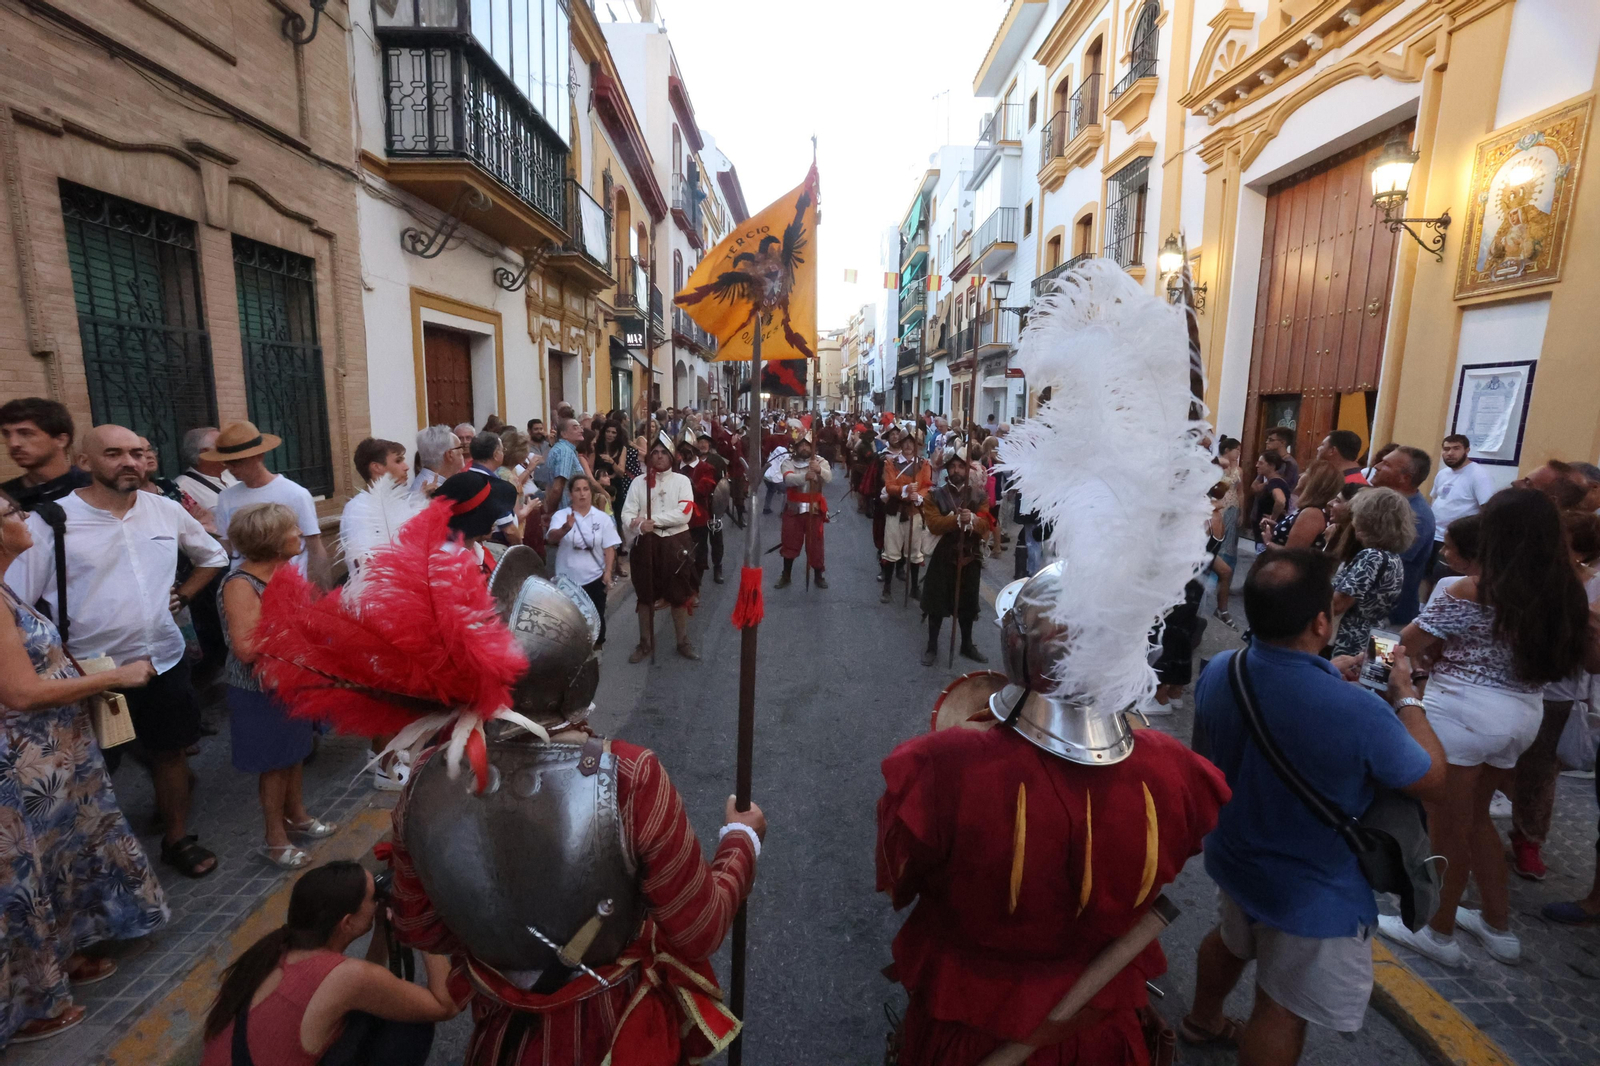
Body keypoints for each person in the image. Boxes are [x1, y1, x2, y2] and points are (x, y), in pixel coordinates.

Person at [1184, 548, 1446, 1063]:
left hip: (1236, 855)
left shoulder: (1220, 669)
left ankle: (1201, 1021)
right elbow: (1431, 778)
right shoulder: (1362, 711)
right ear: (1322, 622)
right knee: (1281, 1007)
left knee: (1231, 939)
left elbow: (1206, 759)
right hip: (1310, 887)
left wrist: (1324, 671)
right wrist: (1406, 697)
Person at [1379, 489, 1595, 966]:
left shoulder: (1470, 588)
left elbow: (1407, 644)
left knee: (1448, 829)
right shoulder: (1565, 592)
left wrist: (1401, 662)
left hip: (1464, 714)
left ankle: (1436, 932)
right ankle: (1498, 927)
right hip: (1523, 714)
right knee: (1477, 822)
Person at [4, 425, 228, 878]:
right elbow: (18, 602)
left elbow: (214, 557)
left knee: (171, 753)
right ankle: (99, 862)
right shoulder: (52, 521)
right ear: (84, 462)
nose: (130, 462)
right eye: (113, 453)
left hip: (163, 660)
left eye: (137, 453)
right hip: (89, 674)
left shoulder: (164, 510)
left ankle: (177, 838)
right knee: (89, 774)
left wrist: (182, 596)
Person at [0, 487, 168, 1046]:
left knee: (55, 864)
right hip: (21, 767)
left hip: (50, 757)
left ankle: (64, 956)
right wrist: (113, 678)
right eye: (13, 511)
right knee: (24, 880)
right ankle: (31, 1005)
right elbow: (20, 693)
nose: (24, 517)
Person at [201, 861, 457, 1066]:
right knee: (411, 1024)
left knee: (383, 1007)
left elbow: (369, 990)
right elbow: (445, 1004)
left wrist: (381, 931)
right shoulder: (346, 977)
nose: (379, 900)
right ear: (347, 923)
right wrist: (420, 923)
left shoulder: (276, 951)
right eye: (373, 897)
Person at [220, 503, 330, 869]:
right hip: (259, 691)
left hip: (291, 682)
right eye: (293, 529)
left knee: (295, 753)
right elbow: (247, 648)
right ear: (272, 539)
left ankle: (297, 816)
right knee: (275, 764)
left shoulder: (283, 574)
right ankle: (275, 840)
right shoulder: (241, 583)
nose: (299, 534)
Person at [1509, 512, 1600, 880]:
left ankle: (1527, 841)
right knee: (1515, 767)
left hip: (1555, 691)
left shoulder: (1586, 585)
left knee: (1539, 772)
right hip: (1525, 684)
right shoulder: (1539, 575)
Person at [208, 421, 330, 589]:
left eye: (237, 461)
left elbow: (314, 547)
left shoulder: (294, 494)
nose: (231, 468)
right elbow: (227, 547)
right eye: (226, 462)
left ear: (259, 456)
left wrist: (323, 592)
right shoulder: (226, 497)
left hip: (288, 587)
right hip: (244, 588)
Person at [621, 437, 698, 662]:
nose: (659, 456)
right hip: (647, 542)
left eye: (664, 452)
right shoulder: (638, 483)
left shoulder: (682, 481)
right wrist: (637, 524)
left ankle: (682, 641)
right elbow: (626, 513)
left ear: (672, 456)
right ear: (649, 456)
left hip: (676, 542)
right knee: (645, 595)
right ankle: (645, 643)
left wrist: (651, 519)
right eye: (654, 452)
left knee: (679, 594)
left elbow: (685, 512)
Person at [919, 454, 991, 666]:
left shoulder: (979, 495)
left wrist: (974, 520)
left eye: (961, 467)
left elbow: (986, 525)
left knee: (968, 606)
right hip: (943, 555)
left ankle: (966, 644)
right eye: (953, 467)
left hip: (969, 558)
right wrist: (956, 519)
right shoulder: (935, 495)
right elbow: (934, 524)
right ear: (947, 470)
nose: (957, 470)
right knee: (936, 604)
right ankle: (932, 646)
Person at [1327, 487, 1415, 658]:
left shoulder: (1372, 556)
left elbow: (1338, 604)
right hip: (1379, 636)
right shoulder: (1394, 558)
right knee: (1371, 682)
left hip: (1350, 640)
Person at [546, 474, 620, 649]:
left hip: (594, 577)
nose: (582, 494)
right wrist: (566, 528)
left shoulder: (602, 518)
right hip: (567, 580)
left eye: (586, 489)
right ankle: (574, 652)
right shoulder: (561, 515)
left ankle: (597, 648)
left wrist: (608, 572)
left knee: (596, 616)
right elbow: (551, 538)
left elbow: (609, 547)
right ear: (570, 494)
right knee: (570, 620)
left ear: (591, 493)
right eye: (577, 490)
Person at [1370, 444, 1435, 624]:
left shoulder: (1415, 516)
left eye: (1386, 464)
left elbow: (1382, 568)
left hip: (1389, 619)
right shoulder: (1384, 503)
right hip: (1369, 613)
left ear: (1404, 478)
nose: (1376, 467)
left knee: (1379, 654)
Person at [0, 397, 91, 511]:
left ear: (61, 440)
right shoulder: (5, 499)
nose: (13, 443)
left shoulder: (94, 488)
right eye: (7, 434)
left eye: (26, 433)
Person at [1429, 434, 1495, 584]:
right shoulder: (1442, 474)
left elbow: (1488, 510)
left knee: (1445, 580)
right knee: (1427, 576)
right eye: (1446, 449)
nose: (1450, 453)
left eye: (1456, 448)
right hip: (1434, 535)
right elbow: (1436, 499)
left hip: (1455, 541)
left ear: (1467, 450)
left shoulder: (1479, 475)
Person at [879, 431, 931, 603]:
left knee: (915, 552)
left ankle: (915, 587)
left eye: (912, 442)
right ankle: (887, 587)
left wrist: (919, 496)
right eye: (906, 442)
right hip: (896, 510)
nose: (908, 446)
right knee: (891, 550)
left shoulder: (924, 464)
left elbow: (926, 486)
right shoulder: (891, 462)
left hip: (914, 512)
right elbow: (890, 485)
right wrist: (905, 490)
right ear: (900, 444)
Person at [775, 433, 832, 590]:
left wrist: (819, 470)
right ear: (796, 447)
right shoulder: (788, 462)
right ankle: (786, 575)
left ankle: (818, 575)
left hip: (814, 510)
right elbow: (788, 479)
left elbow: (829, 478)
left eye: (807, 445)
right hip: (793, 510)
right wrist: (805, 476)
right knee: (789, 543)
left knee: (816, 545)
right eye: (801, 445)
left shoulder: (820, 461)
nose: (804, 447)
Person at [1264, 461, 1343, 550]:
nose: (1300, 475)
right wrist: (1277, 527)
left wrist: (1267, 542)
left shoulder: (1312, 513)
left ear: (1314, 481)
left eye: (1306, 472)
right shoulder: (1313, 511)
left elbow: (1292, 553)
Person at [678, 438, 720, 588]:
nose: (685, 452)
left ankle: (695, 587)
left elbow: (705, 490)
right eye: (682, 449)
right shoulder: (675, 467)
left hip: (697, 518)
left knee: (698, 554)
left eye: (688, 449)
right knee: (676, 554)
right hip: (675, 518)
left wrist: (689, 484)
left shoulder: (706, 468)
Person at [1212, 437, 1244, 627]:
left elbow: (1240, 491)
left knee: (1229, 549)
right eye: (1236, 450)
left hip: (1232, 509)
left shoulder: (1238, 470)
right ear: (1226, 450)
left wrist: (1242, 512)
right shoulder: (1216, 467)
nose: (1238, 453)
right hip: (1219, 509)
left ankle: (1221, 605)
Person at [176, 426, 239, 515]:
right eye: (222, 447)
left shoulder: (231, 473)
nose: (229, 451)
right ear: (204, 452)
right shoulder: (182, 487)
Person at [543, 417, 584, 515]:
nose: (581, 430)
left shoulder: (566, 450)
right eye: (575, 428)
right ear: (563, 434)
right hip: (566, 512)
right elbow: (557, 488)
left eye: (580, 427)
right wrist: (550, 513)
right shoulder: (565, 451)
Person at [411, 426, 464, 498]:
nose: (463, 451)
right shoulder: (430, 491)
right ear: (449, 455)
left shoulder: (434, 482)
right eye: (460, 448)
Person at [1248, 451, 1290, 539]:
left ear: (1271, 466)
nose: (1257, 466)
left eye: (1261, 463)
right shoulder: (1271, 482)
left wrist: (1272, 518)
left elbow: (1280, 500)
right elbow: (1254, 488)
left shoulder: (1275, 482)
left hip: (1268, 530)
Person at [1262, 426, 1300, 491]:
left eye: (1271, 440)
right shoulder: (1268, 460)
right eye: (1267, 439)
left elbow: (1280, 486)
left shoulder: (1290, 463)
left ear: (1282, 442)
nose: (1267, 442)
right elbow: (1255, 486)